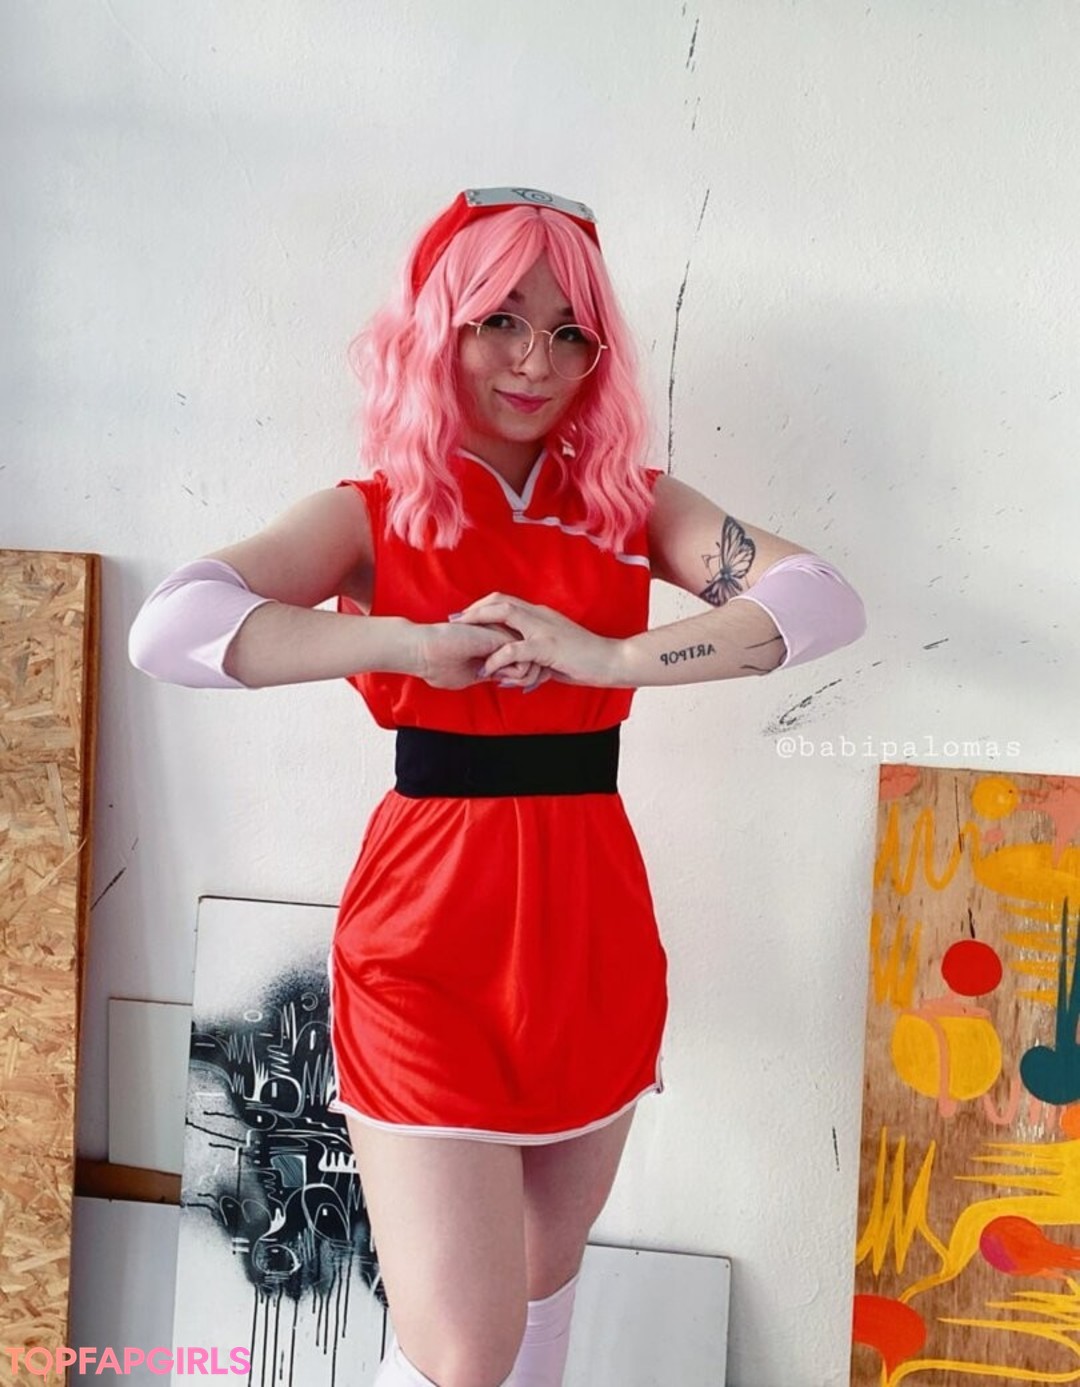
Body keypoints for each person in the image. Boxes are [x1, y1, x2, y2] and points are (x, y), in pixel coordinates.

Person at [129, 186, 866, 1387]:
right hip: (425, 943)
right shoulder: (372, 514)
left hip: (590, 939)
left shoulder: (630, 507)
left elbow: (821, 600)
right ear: (440, 328)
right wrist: (409, 642)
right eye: (501, 322)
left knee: (541, 1289)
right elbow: (170, 628)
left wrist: (614, 658)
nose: (537, 361)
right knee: (466, 1349)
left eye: (571, 332)